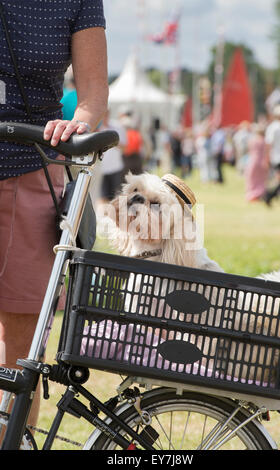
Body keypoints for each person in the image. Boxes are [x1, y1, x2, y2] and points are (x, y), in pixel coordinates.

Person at [0, 0, 108, 428]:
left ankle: (15, 438)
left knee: (22, 341)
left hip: (31, 168)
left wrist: (78, 123)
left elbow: (92, 94)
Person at [97, 110, 127, 203]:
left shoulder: (118, 127)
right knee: (103, 198)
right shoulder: (97, 128)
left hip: (116, 168)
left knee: (117, 197)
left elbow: (124, 147)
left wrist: (112, 142)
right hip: (101, 169)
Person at [245, 124, 268, 202]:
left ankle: (251, 194)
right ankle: (257, 194)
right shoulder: (264, 140)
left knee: (252, 178)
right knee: (260, 179)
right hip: (261, 161)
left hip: (252, 160)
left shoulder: (252, 140)